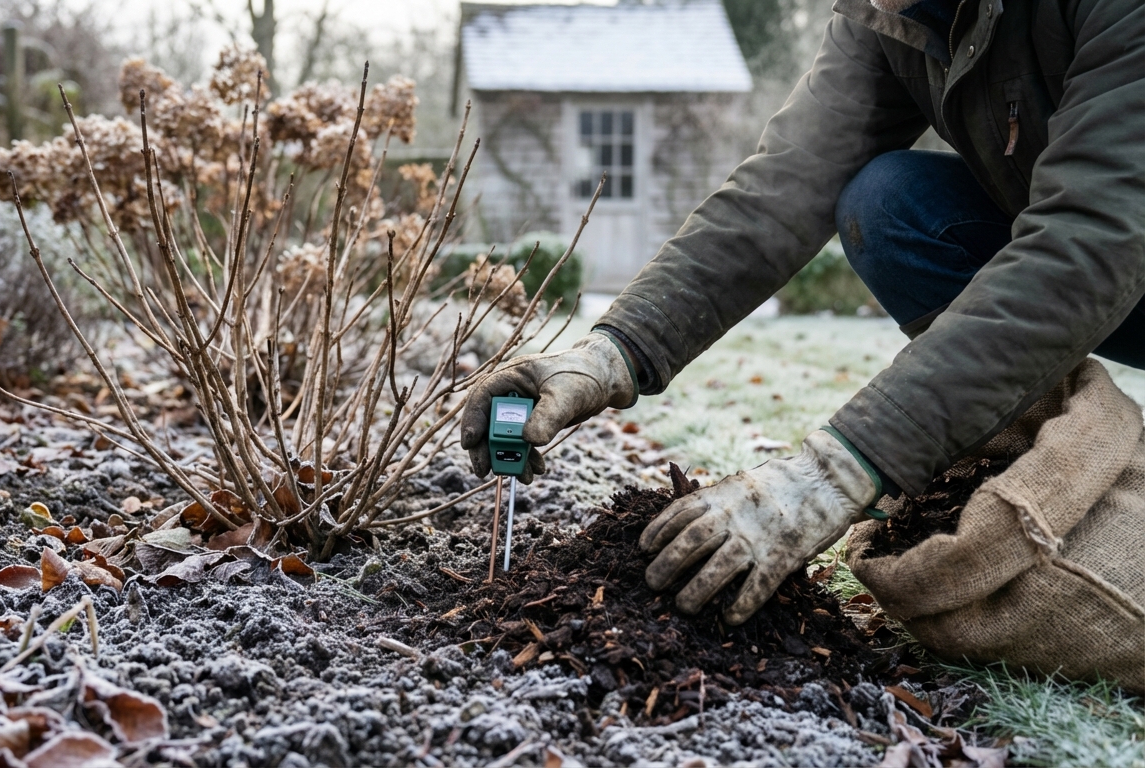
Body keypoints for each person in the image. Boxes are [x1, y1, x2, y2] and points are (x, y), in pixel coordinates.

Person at [460, 0, 1145, 625]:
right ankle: (1042, 455)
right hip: (1090, 260)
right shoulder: (889, 14)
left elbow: (1092, 238)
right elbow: (784, 185)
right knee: (889, 205)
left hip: (1114, 248)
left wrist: (836, 469)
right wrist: (615, 349)